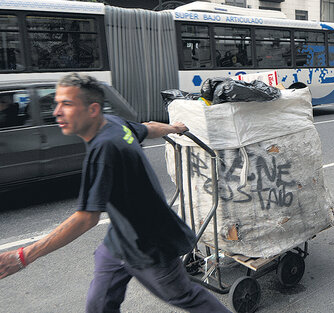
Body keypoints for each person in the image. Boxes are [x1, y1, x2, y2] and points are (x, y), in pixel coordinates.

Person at [0, 73, 230, 313]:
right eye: (57, 103)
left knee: (187, 296)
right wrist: (175, 128)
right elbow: (148, 128)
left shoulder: (104, 149)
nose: (57, 111)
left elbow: (86, 218)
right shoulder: (111, 122)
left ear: (92, 110)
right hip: (120, 239)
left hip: (150, 244)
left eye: (66, 104)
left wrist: (24, 255)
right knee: (99, 305)